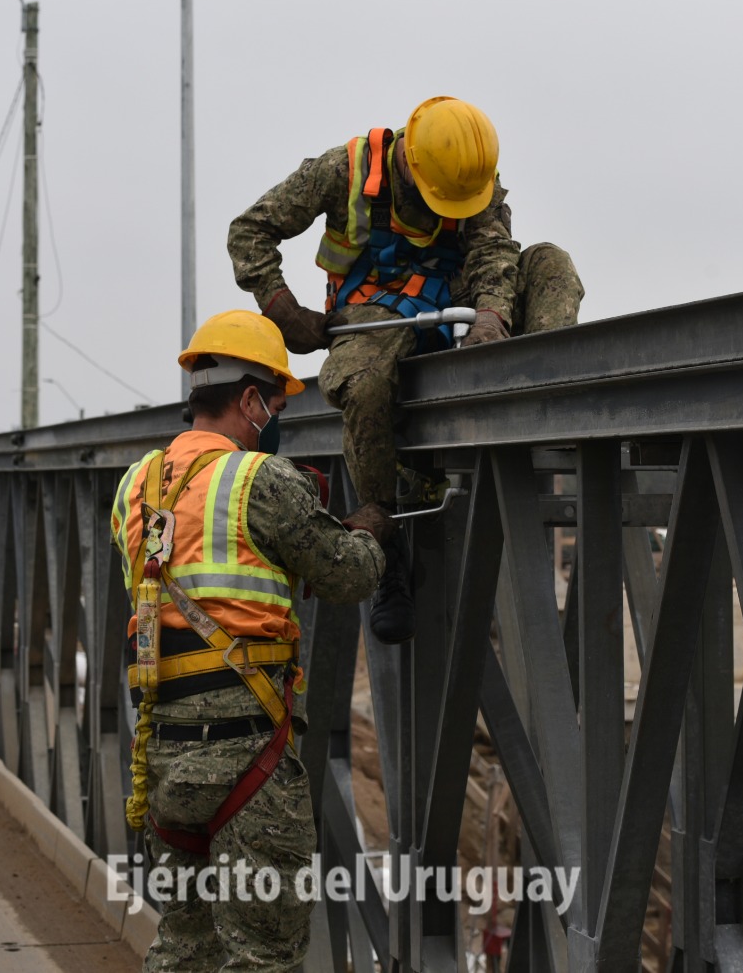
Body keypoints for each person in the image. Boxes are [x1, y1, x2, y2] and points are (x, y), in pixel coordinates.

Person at [227, 95, 585, 642]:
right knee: (366, 383)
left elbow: (494, 256)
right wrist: (282, 308)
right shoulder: (344, 171)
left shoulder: (469, 179)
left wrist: (491, 318)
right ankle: (384, 542)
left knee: (551, 263)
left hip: (457, 303)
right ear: (413, 170)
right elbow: (250, 230)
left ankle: (535, 408)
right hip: (375, 310)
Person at [110, 309, 393, 972]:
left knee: (184, 950)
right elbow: (347, 575)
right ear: (248, 400)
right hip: (249, 763)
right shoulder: (259, 481)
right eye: (275, 402)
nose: (277, 416)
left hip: (162, 758)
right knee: (261, 959)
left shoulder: (134, 487)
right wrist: (373, 531)